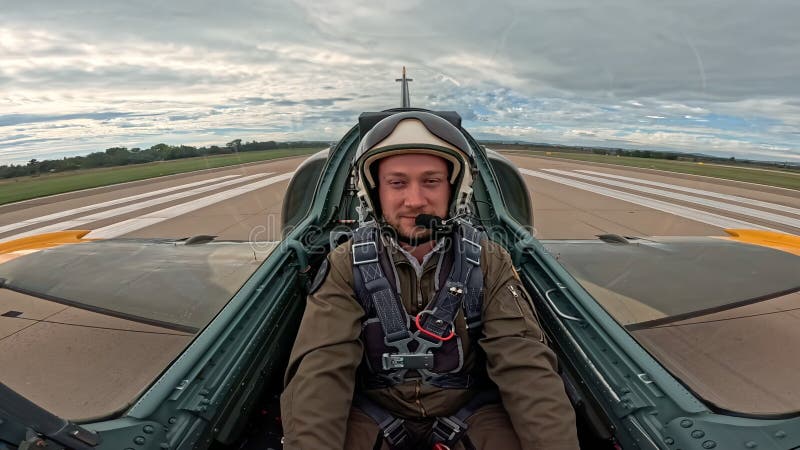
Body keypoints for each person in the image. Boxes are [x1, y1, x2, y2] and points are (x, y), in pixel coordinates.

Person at [280, 111, 579, 450]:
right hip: (373, 413)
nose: (415, 200)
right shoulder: (346, 264)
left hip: (468, 411)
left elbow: (527, 370)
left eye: (431, 181)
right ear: (374, 191)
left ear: (456, 190)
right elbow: (320, 375)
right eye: (397, 183)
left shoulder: (489, 260)